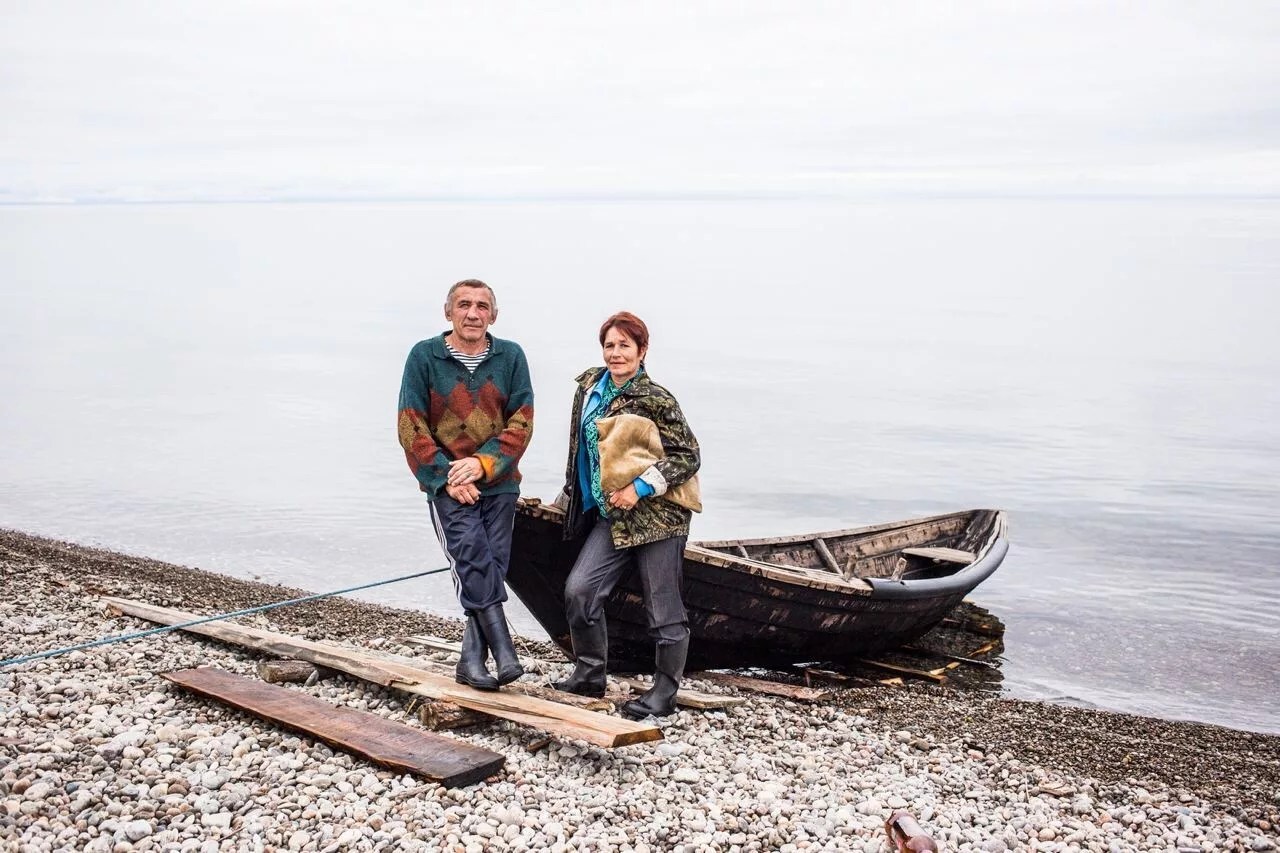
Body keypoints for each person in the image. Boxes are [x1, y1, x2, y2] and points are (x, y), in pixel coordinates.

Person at [551, 311, 701, 719]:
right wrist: (570, 494)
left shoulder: (655, 398)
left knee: (662, 609)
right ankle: (589, 675)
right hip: (609, 516)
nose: (615, 353)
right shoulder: (588, 387)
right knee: (579, 591)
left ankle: (663, 695)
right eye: (610, 345)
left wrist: (638, 488)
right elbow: (584, 452)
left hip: (657, 518)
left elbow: (688, 457)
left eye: (625, 346)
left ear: (642, 350)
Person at [397, 279, 534, 690]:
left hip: (499, 482)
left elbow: (522, 420)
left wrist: (481, 463)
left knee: (492, 565)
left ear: (494, 315)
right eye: (464, 305)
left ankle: (471, 661)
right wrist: (445, 475)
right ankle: (504, 648)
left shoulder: (511, 356)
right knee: (472, 559)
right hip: (447, 485)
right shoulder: (424, 356)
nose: (472, 313)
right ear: (448, 311)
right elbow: (410, 425)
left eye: (481, 306)